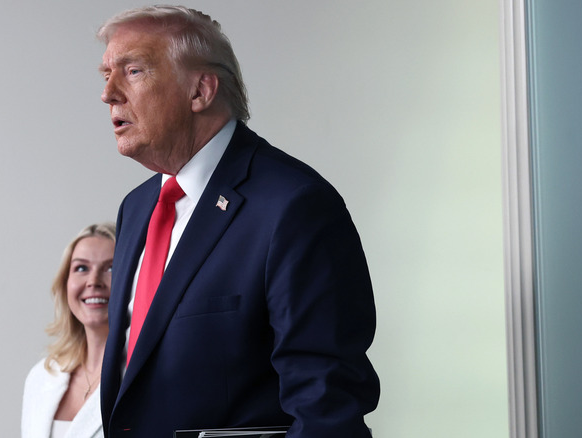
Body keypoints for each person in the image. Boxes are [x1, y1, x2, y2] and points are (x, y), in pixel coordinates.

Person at [97, 6, 380, 437]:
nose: (109, 93)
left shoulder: (293, 206)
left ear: (201, 91)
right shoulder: (136, 208)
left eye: (133, 71)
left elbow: (326, 406)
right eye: (106, 75)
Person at [22, 223, 116, 438]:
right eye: (81, 268)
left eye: (111, 268)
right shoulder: (42, 376)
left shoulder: (149, 377)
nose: (94, 281)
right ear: (65, 284)